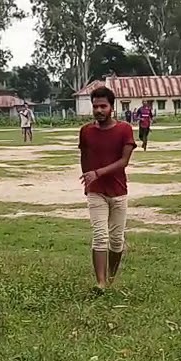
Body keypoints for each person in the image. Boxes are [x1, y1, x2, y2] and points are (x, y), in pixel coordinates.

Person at [78, 87, 136, 292]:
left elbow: (124, 161)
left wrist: (98, 172)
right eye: (95, 106)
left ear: (112, 107)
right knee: (100, 236)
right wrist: (88, 178)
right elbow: (84, 156)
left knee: (116, 239)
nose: (99, 110)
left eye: (103, 106)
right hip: (96, 192)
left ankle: (111, 277)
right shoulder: (85, 131)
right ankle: (100, 283)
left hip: (119, 191)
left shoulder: (124, 129)